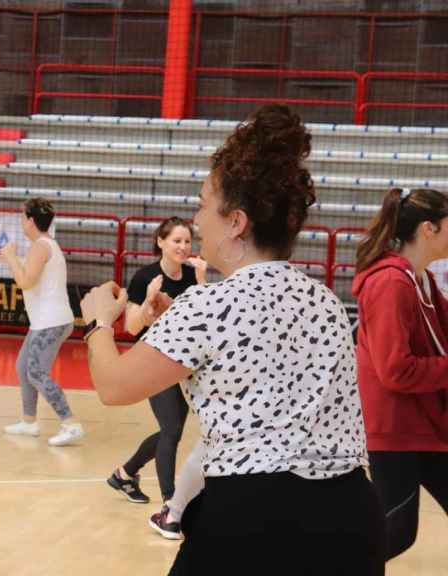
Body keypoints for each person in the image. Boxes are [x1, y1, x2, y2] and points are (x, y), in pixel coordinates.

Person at [80, 105, 383, 575]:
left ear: (236, 222)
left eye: (204, 205)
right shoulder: (325, 300)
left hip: (256, 518)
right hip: (351, 517)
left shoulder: (210, 304)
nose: (197, 218)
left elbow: (114, 386)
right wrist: (175, 323)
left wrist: (98, 323)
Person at [353, 186, 448, 562]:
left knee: (391, 534)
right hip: (396, 429)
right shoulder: (390, 283)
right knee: (394, 533)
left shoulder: (420, 279)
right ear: (429, 229)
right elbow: (396, 370)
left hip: (424, 423)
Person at [104, 218, 207, 538]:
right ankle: (170, 504)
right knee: (172, 431)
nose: (183, 247)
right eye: (176, 240)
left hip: (184, 364)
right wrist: (149, 303)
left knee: (169, 431)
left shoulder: (192, 275)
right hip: (152, 361)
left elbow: (205, 318)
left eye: (187, 241)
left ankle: (125, 473)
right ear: (160, 242)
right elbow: (131, 327)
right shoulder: (145, 277)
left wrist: (202, 280)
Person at [0, 198, 83, 447]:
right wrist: (13, 261)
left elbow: (25, 282)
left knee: (35, 372)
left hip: (51, 321)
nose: (21, 222)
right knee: (23, 367)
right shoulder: (45, 245)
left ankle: (71, 423)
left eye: (23, 217)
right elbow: (31, 277)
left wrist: (12, 258)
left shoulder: (40, 246)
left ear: (30, 220)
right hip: (45, 320)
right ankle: (29, 421)